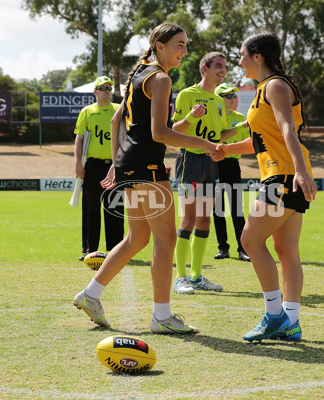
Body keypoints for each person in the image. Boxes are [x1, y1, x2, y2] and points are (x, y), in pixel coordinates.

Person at [73, 23, 221, 334]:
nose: (184, 51)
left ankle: (90, 295)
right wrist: (206, 144)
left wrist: (117, 163)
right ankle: (162, 317)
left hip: (132, 165)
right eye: (179, 45)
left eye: (185, 44)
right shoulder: (161, 78)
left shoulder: (141, 74)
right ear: (159, 46)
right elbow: (158, 134)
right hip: (148, 167)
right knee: (165, 240)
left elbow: (118, 121)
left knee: (137, 238)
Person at [213, 31, 317, 343]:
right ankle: (291, 322)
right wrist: (225, 149)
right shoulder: (262, 89)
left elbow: (287, 130)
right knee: (286, 250)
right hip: (284, 174)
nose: (239, 60)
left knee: (249, 239)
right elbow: (262, 140)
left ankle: (274, 315)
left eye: (242, 54)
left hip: (284, 176)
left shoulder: (274, 85)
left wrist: (300, 171)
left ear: (258, 56)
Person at [171, 52, 240, 294]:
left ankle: (197, 276)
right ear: (204, 68)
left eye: (225, 67)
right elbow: (174, 130)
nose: (222, 71)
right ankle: (180, 278)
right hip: (190, 160)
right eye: (218, 66)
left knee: (204, 219)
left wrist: (242, 127)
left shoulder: (220, 102)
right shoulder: (187, 95)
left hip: (211, 163)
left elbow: (219, 136)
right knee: (188, 219)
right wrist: (191, 116)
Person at [74, 76, 124, 261]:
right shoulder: (87, 111)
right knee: (91, 209)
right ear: (95, 91)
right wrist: (78, 163)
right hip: (93, 166)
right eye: (102, 88)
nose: (106, 90)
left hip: (115, 166)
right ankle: (89, 249)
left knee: (115, 208)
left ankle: (116, 250)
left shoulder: (119, 109)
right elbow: (79, 139)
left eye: (109, 88)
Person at [212, 83, 250, 262]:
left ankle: (243, 249)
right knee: (218, 209)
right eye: (228, 96)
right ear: (219, 97)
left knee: (237, 210)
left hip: (233, 165)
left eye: (233, 96)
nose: (232, 98)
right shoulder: (212, 117)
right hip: (214, 165)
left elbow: (245, 143)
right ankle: (223, 248)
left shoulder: (241, 118)